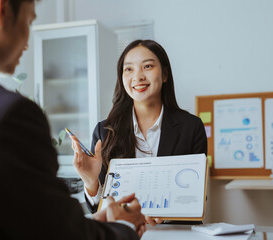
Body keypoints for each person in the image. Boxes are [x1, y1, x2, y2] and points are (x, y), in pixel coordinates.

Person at [0, 0, 146, 239]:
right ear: (1, 9)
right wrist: (125, 227)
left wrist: (93, 222)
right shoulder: (8, 115)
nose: (27, 43)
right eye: (28, 21)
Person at [70, 39, 208, 218]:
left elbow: (196, 198)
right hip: (124, 233)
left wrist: (169, 213)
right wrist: (90, 181)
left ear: (165, 74)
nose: (138, 76)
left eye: (148, 66)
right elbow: (99, 211)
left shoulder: (192, 127)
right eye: (129, 69)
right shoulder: (105, 131)